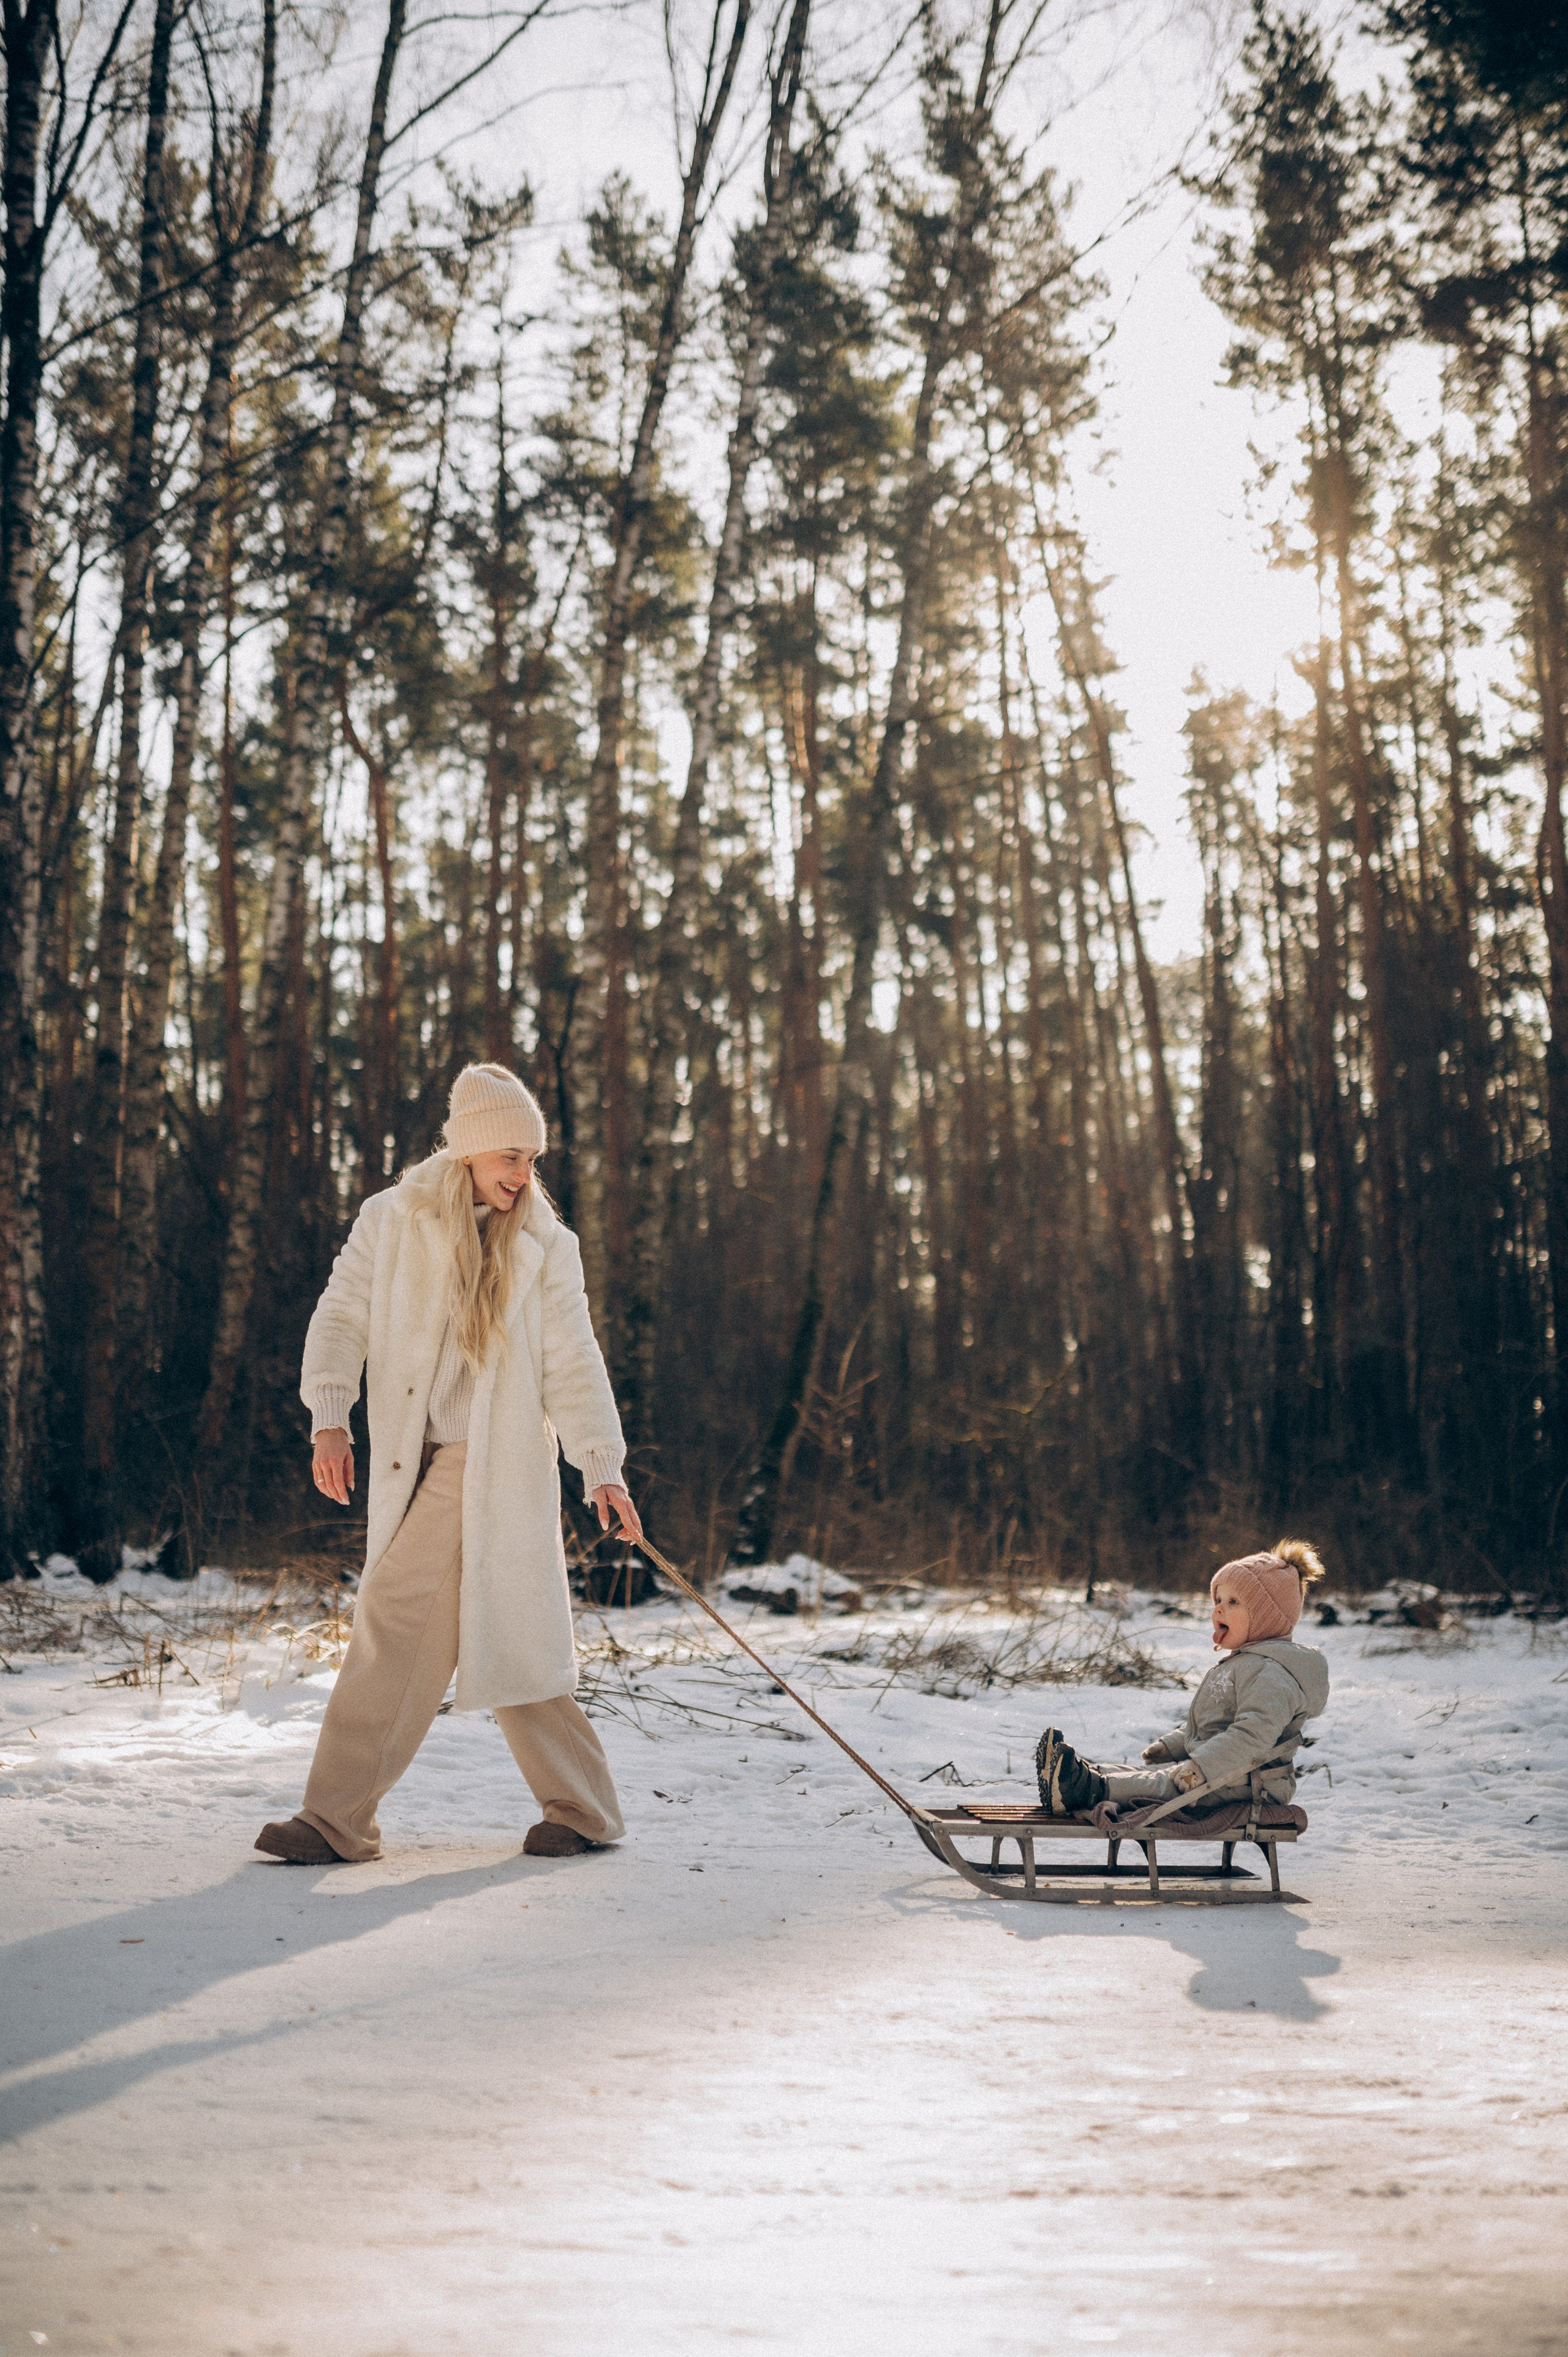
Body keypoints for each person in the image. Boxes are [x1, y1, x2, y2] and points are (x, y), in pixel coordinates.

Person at [254, 1063, 641, 1866]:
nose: (522, 1175)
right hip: (415, 1458)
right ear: (467, 1151)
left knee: (394, 1622)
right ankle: (585, 1808)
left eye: (531, 1159)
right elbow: (339, 1318)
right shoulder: (392, 1220)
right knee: (509, 1631)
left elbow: (575, 1359)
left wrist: (600, 1465)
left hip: (491, 1463)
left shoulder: (546, 1244)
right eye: (508, 1156)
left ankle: (334, 1818)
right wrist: (331, 1419)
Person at [1036, 1539, 1330, 1816]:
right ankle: (1080, 1775)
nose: (1218, 1609)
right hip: (1226, 1774)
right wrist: (1175, 1745)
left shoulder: (1272, 1673)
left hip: (1252, 1784)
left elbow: (1252, 1736)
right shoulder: (1244, 1664)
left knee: (1165, 1785)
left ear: (1266, 1617)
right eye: (1218, 1600)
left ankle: (1086, 1789)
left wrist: (1202, 1766)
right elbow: (1212, 1724)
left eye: (1233, 1603)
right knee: (1152, 1777)